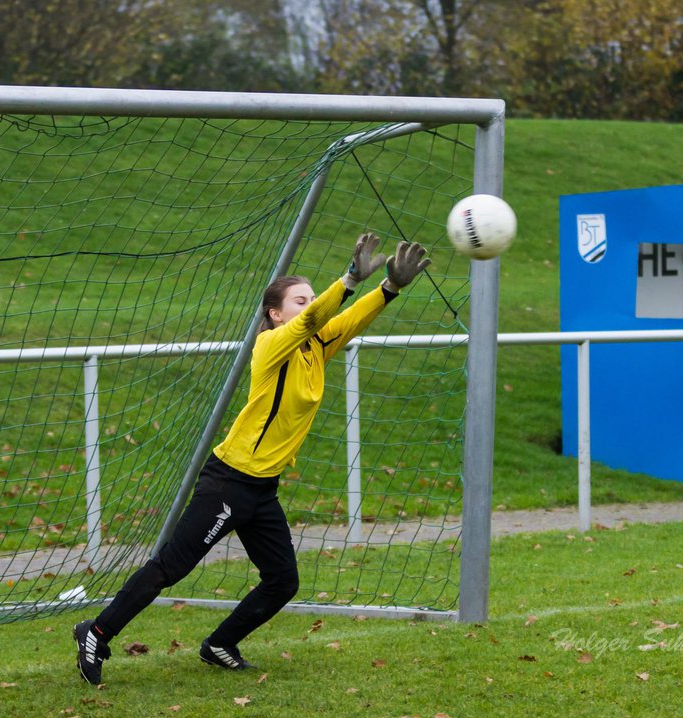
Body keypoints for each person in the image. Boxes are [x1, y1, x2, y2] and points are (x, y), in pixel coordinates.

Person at [73, 233, 431, 685]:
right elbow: (318, 317)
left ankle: (219, 643)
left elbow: (350, 320)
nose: (310, 305)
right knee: (170, 568)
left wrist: (388, 288)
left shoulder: (317, 346)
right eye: (300, 300)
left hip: (261, 489)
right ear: (275, 313)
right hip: (230, 481)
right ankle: (96, 632)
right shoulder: (270, 345)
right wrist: (346, 281)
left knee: (282, 579)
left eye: (311, 297)